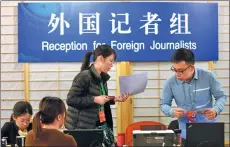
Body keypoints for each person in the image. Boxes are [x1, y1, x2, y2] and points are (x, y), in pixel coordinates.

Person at [65, 45, 129, 147]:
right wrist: (94, 99)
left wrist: (115, 99)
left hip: (97, 126)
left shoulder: (102, 78)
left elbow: (101, 99)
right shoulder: (84, 76)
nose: (112, 65)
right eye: (111, 61)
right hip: (81, 129)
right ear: (100, 59)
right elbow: (71, 99)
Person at [160, 48, 227, 146]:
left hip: (209, 129)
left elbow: (221, 96)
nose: (177, 74)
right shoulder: (170, 82)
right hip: (185, 132)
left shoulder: (208, 76)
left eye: (181, 71)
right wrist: (172, 112)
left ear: (191, 68)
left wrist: (215, 110)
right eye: (174, 70)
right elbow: (164, 104)